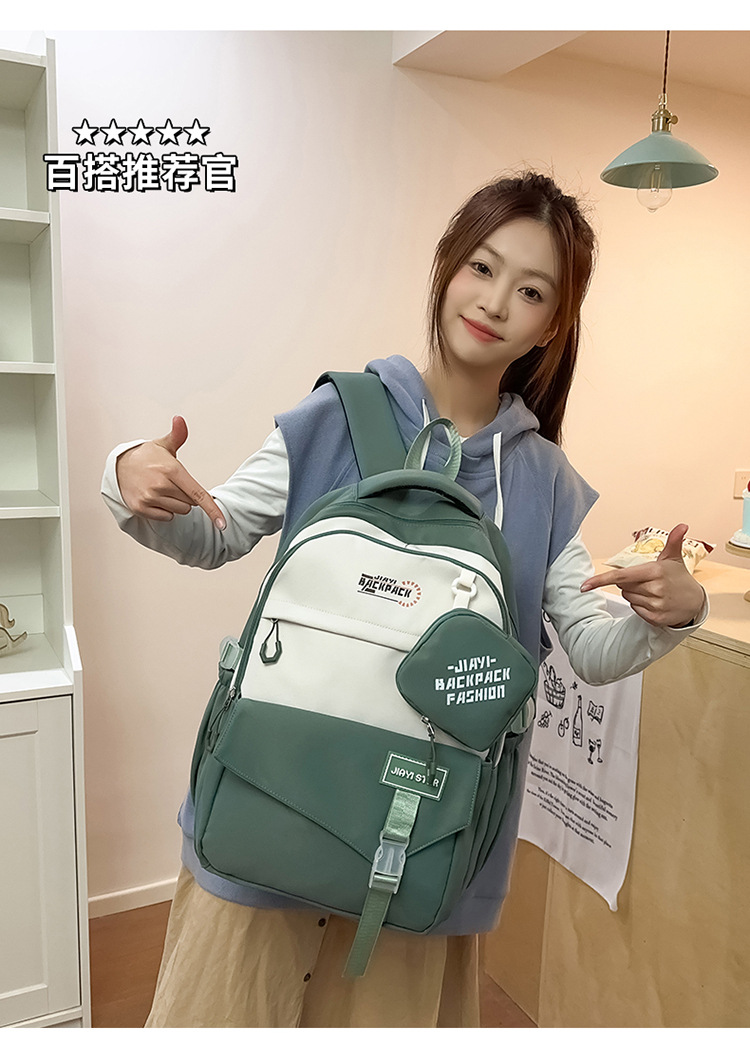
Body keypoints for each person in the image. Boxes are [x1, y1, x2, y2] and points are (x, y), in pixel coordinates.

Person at [102, 170, 707, 1028]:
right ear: (447, 265)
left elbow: (592, 649)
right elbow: (214, 533)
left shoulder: (543, 481)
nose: (495, 302)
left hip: (424, 840)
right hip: (269, 799)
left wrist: (676, 613)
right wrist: (129, 473)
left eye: (531, 291)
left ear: (552, 325)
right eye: (482, 268)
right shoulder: (336, 416)